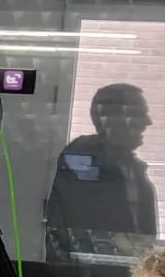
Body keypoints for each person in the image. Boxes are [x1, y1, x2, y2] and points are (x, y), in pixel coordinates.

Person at [46, 83, 158, 260]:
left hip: (126, 271)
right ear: (110, 119)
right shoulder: (83, 157)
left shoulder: (134, 168)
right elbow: (74, 230)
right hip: (94, 273)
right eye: (138, 114)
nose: (148, 122)